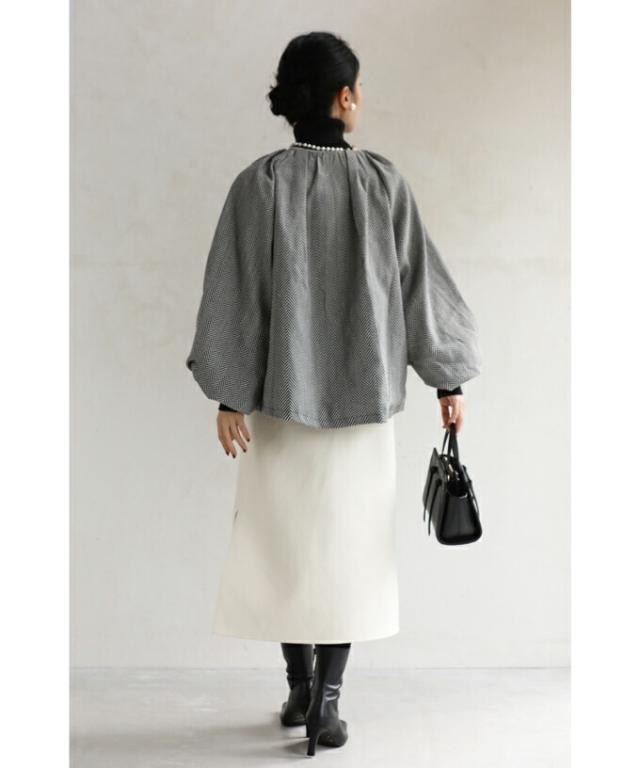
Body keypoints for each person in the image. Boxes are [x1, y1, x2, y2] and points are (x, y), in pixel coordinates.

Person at [185, 31, 481, 757]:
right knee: (348, 552)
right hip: (363, 409)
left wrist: (229, 396)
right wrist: (446, 378)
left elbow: (232, 295)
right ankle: (327, 701)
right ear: (345, 97)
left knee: (284, 545)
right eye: (360, 89)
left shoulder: (258, 185)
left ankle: (297, 688)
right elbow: (420, 286)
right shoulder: (382, 183)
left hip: (278, 405)